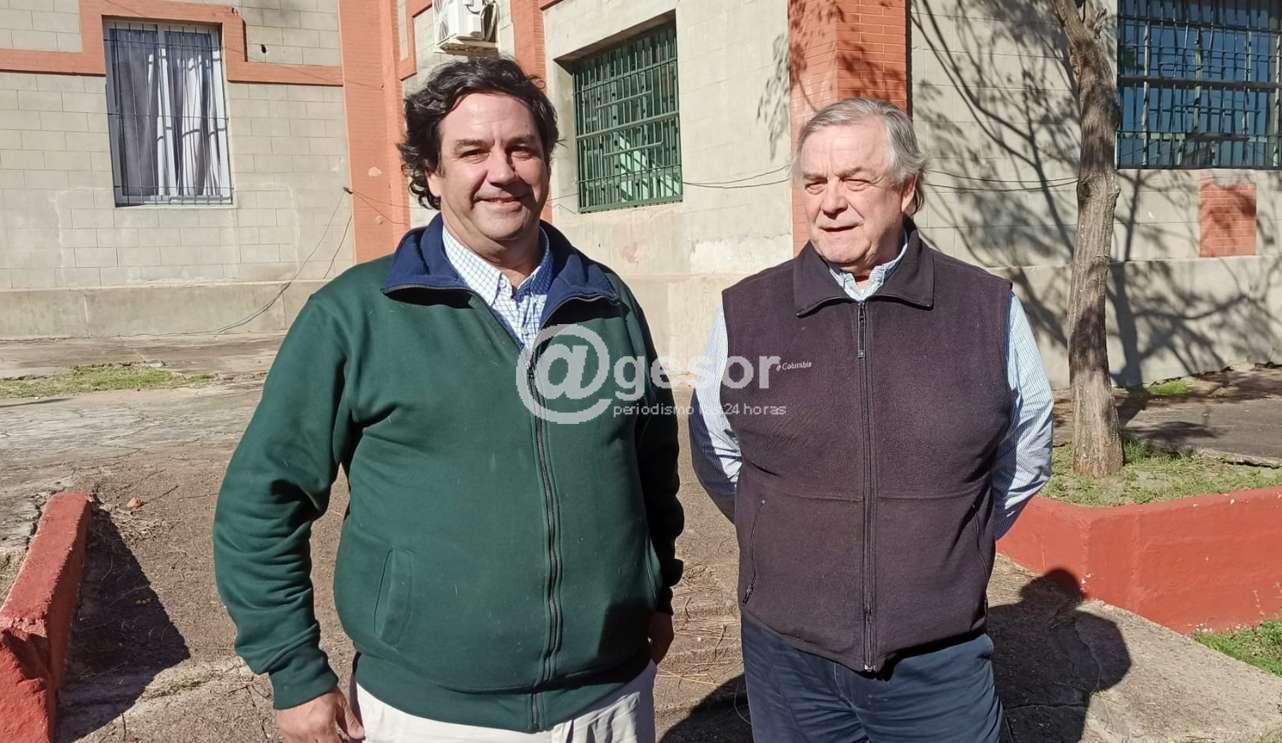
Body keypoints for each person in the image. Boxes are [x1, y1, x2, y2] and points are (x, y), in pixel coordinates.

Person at [214, 57, 683, 743]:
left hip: (606, 700)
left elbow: (651, 468)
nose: (502, 171)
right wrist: (294, 668)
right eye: (472, 152)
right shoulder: (355, 315)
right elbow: (263, 499)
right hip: (431, 712)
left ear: (546, 163)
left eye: (521, 148)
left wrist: (656, 588)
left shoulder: (607, 302)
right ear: (431, 173)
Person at [689, 97, 1053, 742]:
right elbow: (717, 448)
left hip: (938, 661)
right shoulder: (749, 311)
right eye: (814, 182)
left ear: (906, 191)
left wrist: (955, 539)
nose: (830, 203)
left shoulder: (984, 307)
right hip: (787, 661)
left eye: (855, 180)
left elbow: (1025, 451)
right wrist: (774, 531)